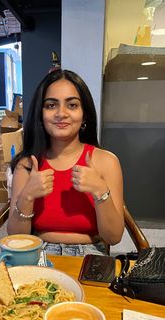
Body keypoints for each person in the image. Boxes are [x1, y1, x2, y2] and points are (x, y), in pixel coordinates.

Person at [7, 69, 124, 256]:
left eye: (72, 105)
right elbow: (16, 238)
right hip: (38, 253)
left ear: (84, 114)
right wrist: (27, 196)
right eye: (51, 105)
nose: (61, 113)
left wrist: (100, 190)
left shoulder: (106, 162)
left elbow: (113, 237)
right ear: (40, 114)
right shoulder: (28, 165)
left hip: (91, 255)